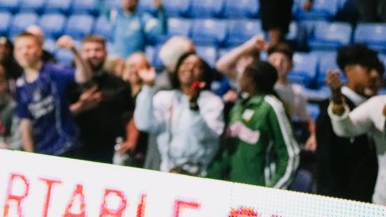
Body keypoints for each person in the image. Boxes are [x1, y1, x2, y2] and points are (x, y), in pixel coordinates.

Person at [207, 60, 300, 188]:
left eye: (243, 74)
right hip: (232, 187)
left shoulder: (271, 106)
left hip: (260, 189)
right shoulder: (238, 106)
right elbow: (227, 151)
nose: (240, 77)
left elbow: (290, 153)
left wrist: (274, 189)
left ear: (251, 79)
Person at [134, 52, 225, 175]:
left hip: (199, 173)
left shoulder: (213, 102)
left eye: (197, 66)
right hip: (167, 171)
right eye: (185, 64)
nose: (189, 68)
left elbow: (206, 135)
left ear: (204, 75)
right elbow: (145, 124)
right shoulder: (165, 97)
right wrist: (148, 88)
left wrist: (193, 106)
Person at [315, 44, 381, 203]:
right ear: (348, 70)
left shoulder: (375, 106)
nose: (374, 75)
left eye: (377, 70)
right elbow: (327, 162)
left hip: (370, 200)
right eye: (367, 68)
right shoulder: (329, 110)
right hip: (342, 203)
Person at [14, 32, 91, 157]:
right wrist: (29, 156)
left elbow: (84, 77)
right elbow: (25, 124)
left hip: (68, 146)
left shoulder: (54, 72)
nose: (24, 52)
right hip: (42, 152)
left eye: (29, 47)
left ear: (39, 50)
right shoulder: (20, 85)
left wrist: (74, 51)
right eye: (19, 49)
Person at [69, 35, 133, 163]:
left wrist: (131, 141)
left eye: (97, 50)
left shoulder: (119, 84)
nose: (93, 54)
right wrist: (80, 106)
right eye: (87, 50)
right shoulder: (68, 82)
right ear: (81, 54)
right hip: (74, 151)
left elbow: (130, 115)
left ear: (105, 53)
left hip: (108, 152)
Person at [267, 42, 317, 151]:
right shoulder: (260, 85)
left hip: (283, 140)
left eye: (283, 61)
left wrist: (314, 136)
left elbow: (307, 120)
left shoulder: (297, 91)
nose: (278, 64)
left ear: (291, 66)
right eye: (274, 60)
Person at [98, 0, 167, 59]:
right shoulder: (115, 15)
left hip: (135, 63)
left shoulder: (144, 19)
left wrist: (160, 10)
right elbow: (97, 4)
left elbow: (161, 30)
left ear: (137, 1)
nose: (128, 1)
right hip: (118, 62)